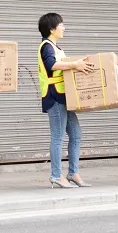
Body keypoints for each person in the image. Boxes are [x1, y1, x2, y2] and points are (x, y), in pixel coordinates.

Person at [37, 13, 93, 188]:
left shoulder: (56, 47)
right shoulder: (47, 46)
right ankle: (56, 175)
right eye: (61, 25)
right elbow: (51, 65)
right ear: (52, 29)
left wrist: (77, 63)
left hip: (64, 96)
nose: (64, 28)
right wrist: (75, 64)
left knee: (76, 134)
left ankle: (73, 173)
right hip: (54, 96)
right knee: (58, 136)